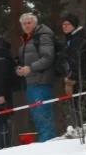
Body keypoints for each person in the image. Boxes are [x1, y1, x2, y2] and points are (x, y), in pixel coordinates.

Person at [14, 13, 59, 142]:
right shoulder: (26, 40)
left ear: (35, 23)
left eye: (29, 23)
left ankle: (48, 145)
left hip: (42, 81)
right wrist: (19, 69)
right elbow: (22, 61)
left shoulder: (43, 36)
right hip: (30, 83)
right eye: (24, 23)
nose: (27, 25)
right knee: (37, 118)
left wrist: (31, 67)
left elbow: (48, 58)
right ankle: (43, 145)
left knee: (44, 117)